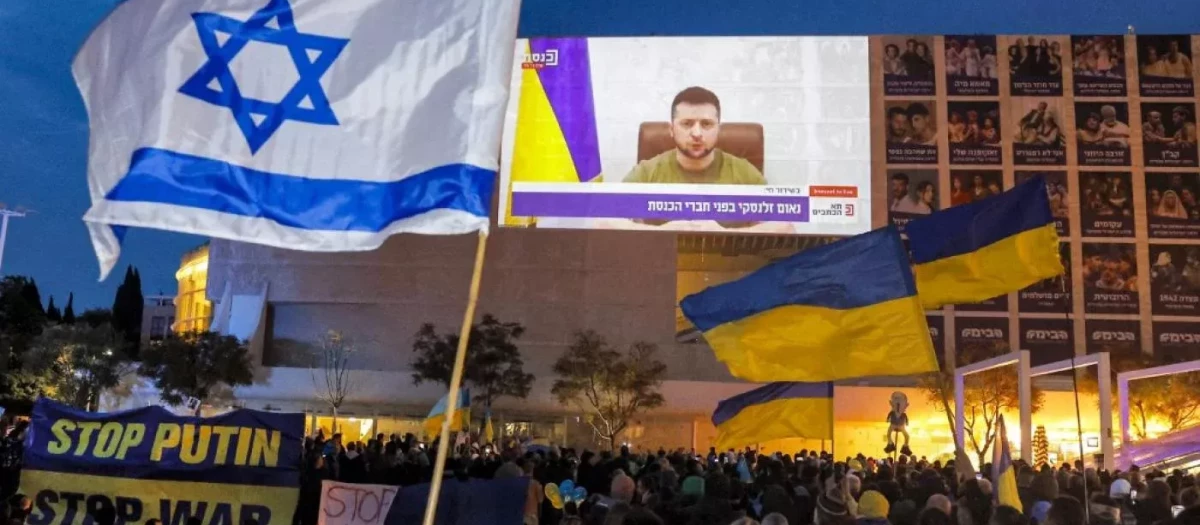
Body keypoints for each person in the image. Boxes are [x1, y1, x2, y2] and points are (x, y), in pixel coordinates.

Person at [623, 86, 765, 186]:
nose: (697, 134)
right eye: (686, 124)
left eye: (706, 124)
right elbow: (606, 217)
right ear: (671, 129)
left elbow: (782, 223)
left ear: (718, 129)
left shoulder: (746, 174)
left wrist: (720, 230)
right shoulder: (646, 174)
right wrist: (670, 229)